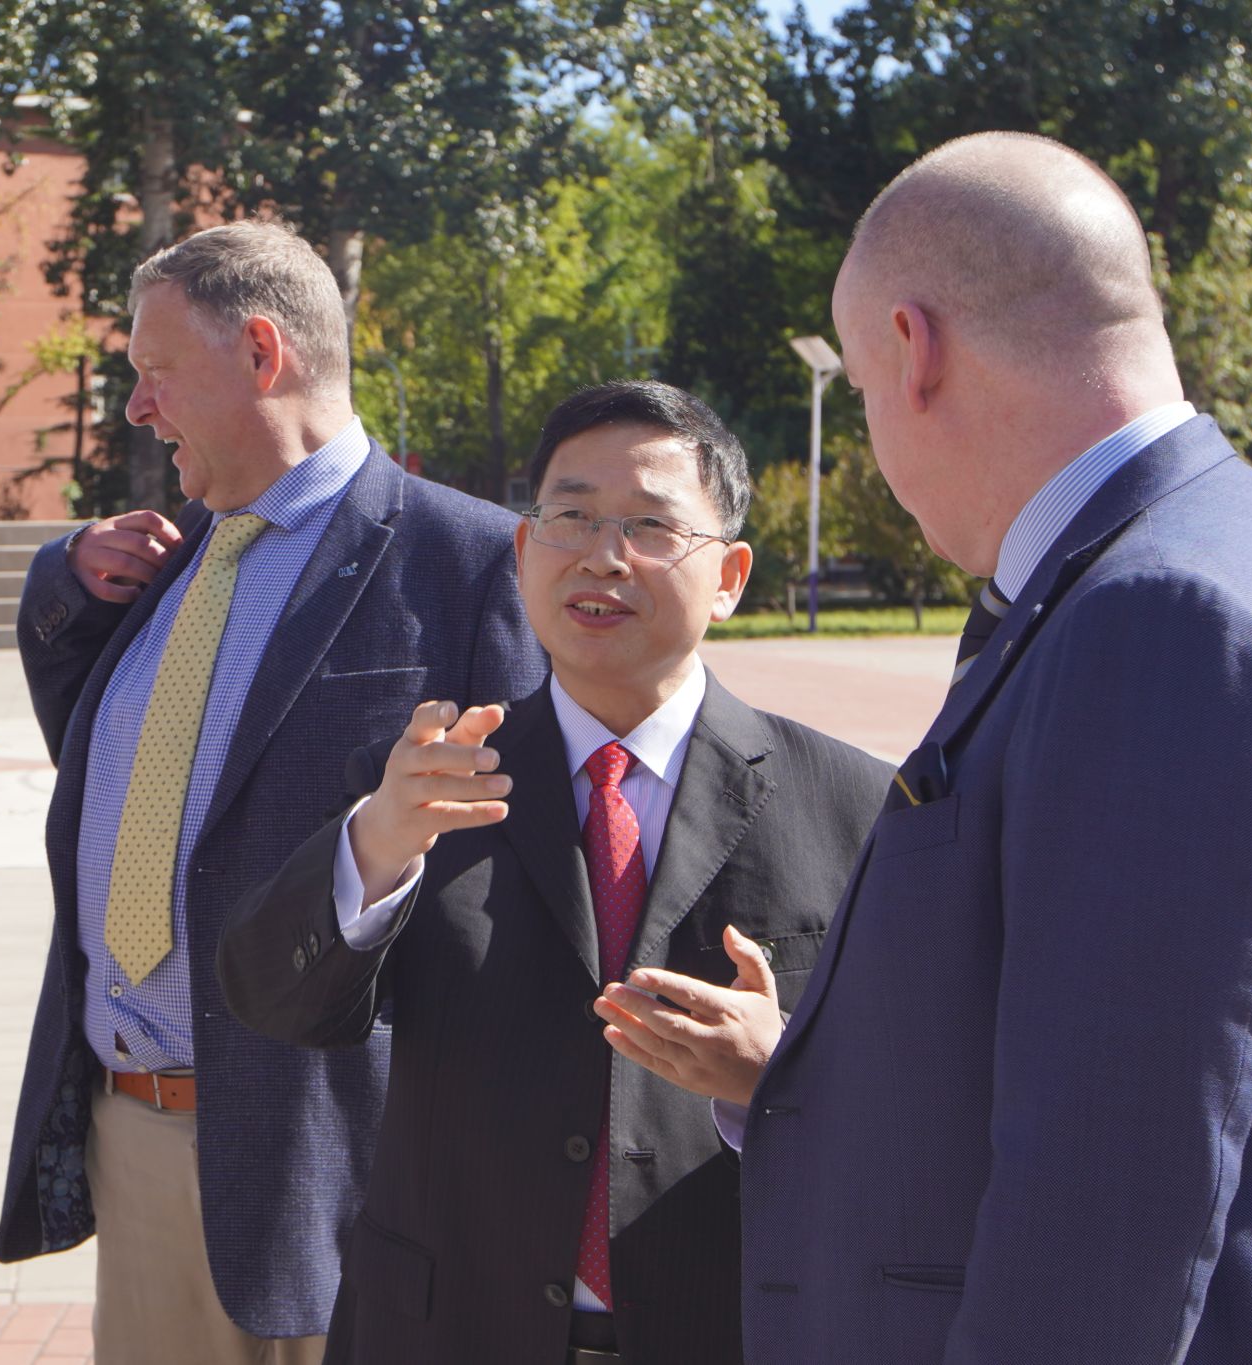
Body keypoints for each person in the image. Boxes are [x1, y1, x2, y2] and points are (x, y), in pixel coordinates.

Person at [600, 132, 1252, 1363]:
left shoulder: (1153, 617)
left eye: (857, 385)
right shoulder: (1200, 550)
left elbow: (1109, 1182)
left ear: (913, 351)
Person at [218, 380, 891, 1364]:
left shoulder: (853, 806)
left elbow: (933, 1106)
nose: (603, 556)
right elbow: (271, 1001)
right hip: (448, 1331)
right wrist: (376, 844)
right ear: (525, 550)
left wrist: (781, 1076)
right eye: (570, 517)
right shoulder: (426, 784)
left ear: (730, 575)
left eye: (651, 526)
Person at [0, 219, 547, 1364]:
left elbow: (525, 887)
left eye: (155, 371)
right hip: (134, 1147)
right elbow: (116, 779)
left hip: (335, 1167)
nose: (135, 408)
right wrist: (64, 584)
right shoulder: (171, 561)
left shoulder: (471, 563)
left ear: (259, 352)